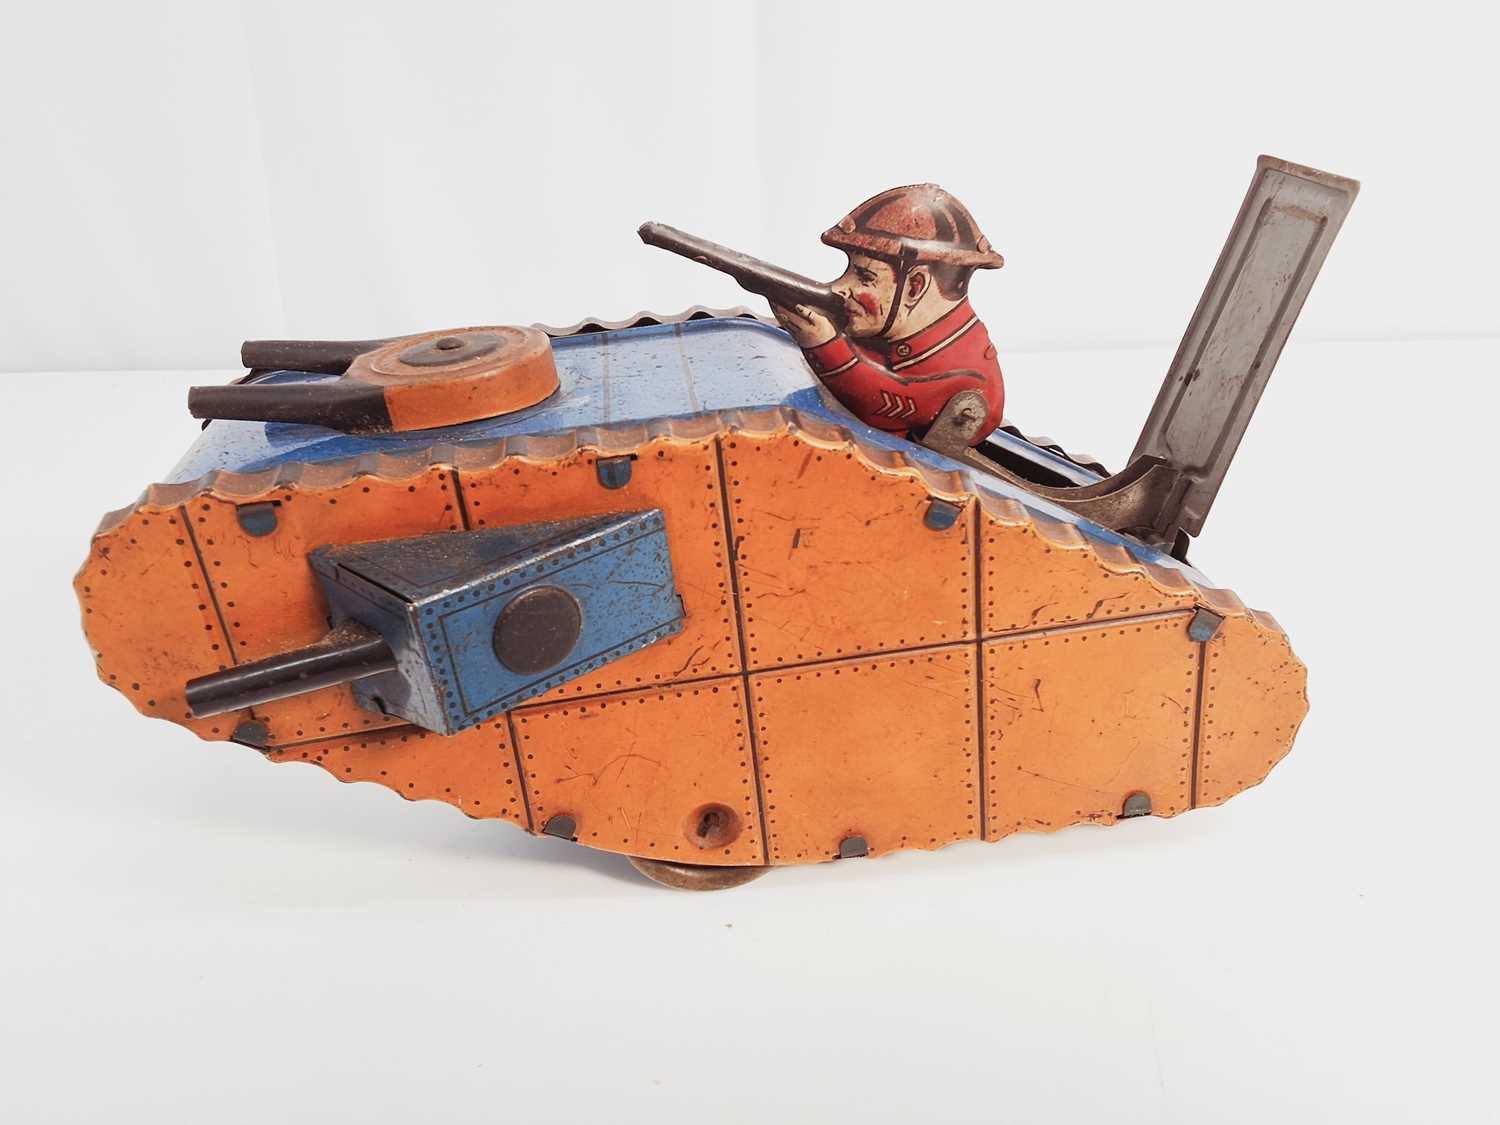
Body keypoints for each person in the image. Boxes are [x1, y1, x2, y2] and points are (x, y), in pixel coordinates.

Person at [771, 184, 1006, 445]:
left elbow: (887, 405)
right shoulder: (884, 333)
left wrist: (824, 345)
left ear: (915, 286)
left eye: (864, 277)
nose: (841, 288)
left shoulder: (970, 374)